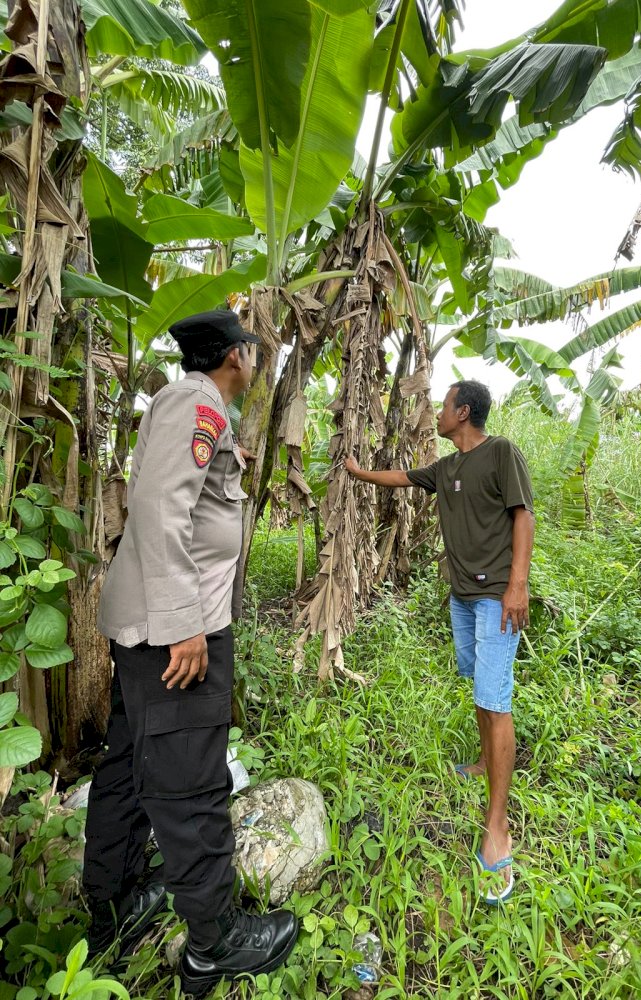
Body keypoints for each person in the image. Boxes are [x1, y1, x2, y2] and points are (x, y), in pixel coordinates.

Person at [83, 310, 298, 995]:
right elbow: (157, 510)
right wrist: (184, 625)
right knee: (190, 781)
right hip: (174, 634)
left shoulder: (193, 405)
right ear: (236, 356)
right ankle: (215, 943)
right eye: (254, 350)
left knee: (131, 767)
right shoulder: (198, 403)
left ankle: (113, 905)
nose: (256, 359)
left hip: (152, 629)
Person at [345, 380, 534, 904]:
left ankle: (497, 826)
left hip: (498, 596)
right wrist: (359, 472)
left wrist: (518, 584)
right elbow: (402, 478)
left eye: (443, 405)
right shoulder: (446, 467)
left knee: (495, 700)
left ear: (463, 411)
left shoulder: (501, 453)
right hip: (462, 598)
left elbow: (524, 514)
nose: (437, 412)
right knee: (479, 686)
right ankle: (482, 760)